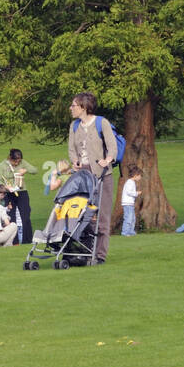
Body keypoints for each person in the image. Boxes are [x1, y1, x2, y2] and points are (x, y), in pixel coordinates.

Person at [68, 92, 117, 264]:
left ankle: (100, 256)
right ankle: (86, 250)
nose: (71, 108)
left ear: (83, 107)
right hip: (83, 176)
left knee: (102, 217)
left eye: (73, 105)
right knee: (82, 214)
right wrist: (74, 161)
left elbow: (112, 146)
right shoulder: (74, 126)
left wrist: (107, 160)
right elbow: (72, 150)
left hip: (103, 175)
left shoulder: (101, 122)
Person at [0, 148, 38, 243]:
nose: (17, 163)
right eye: (15, 161)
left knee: (25, 216)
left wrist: (25, 170)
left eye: (19, 161)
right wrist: (6, 187)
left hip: (21, 191)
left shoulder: (22, 163)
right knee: (11, 217)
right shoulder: (2, 165)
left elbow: (35, 170)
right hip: (9, 193)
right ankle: (13, 242)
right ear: (10, 158)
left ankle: (27, 240)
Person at [120, 165, 142, 236]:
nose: (140, 177)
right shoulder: (130, 182)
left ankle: (131, 231)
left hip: (130, 203)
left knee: (132, 218)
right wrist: (136, 193)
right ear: (135, 175)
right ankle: (125, 232)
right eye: (139, 176)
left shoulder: (132, 182)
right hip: (127, 203)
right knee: (128, 218)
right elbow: (128, 192)